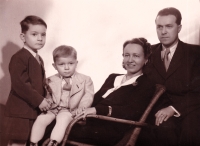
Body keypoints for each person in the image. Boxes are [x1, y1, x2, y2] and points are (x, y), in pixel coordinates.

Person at [66, 38, 162, 146]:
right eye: (126, 55)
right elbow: (94, 100)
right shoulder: (113, 77)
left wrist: (97, 110)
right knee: (55, 121)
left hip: (109, 130)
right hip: (89, 122)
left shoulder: (146, 84)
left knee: (57, 129)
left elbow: (131, 111)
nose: (130, 60)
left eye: (136, 56)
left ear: (146, 59)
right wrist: (81, 109)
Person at [144, 7, 200, 146]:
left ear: (179, 27)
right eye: (159, 27)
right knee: (164, 130)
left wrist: (173, 109)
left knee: (191, 131)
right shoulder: (147, 52)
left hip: (190, 109)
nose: (163, 32)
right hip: (157, 112)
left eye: (169, 26)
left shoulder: (195, 53)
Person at [29, 45, 94, 146]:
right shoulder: (50, 80)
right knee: (41, 119)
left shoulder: (85, 79)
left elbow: (88, 96)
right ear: (55, 66)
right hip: (52, 109)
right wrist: (47, 103)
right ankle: (33, 143)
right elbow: (47, 95)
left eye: (71, 63)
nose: (67, 68)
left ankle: (53, 143)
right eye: (61, 64)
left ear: (76, 63)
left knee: (63, 119)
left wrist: (82, 107)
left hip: (69, 110)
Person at [3, 16, 50, 146]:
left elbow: (40, 84)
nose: (40, 38)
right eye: (34, 34)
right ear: (23, 37)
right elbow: (20, 84)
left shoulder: (39, 58)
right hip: (20, 112)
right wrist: (39, 100)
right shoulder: (19, 57)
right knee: (18, 142)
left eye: (43, 35)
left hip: (32, 110)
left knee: (31, 141)